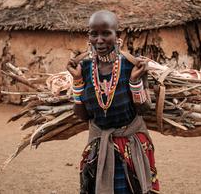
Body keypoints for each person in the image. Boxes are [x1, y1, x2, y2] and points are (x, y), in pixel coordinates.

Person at [66, 10, 159, 194]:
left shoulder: (132, 65)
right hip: (99, 148)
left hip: (131, 149)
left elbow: (143, 109)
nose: (99, 40)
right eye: (94, 34)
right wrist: (77, 82)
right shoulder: (83, 69)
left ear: (118, 35)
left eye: (106, 33)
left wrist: (134, 82)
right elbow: (83, 116)